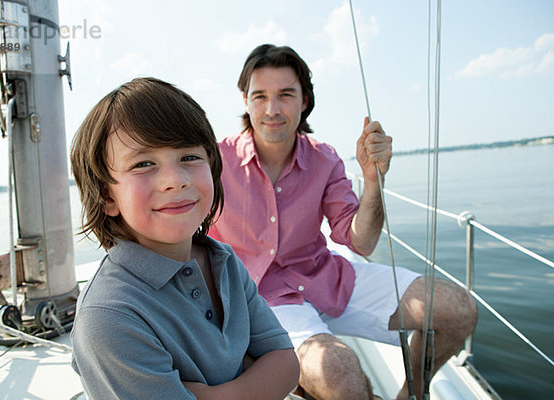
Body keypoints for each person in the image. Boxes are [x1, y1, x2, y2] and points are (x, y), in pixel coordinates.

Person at [208, 44, 478, 400]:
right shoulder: (214, 160)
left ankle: (413, 394)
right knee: (342, 375)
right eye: (260, 96)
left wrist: (373, 180)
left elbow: (361, 242)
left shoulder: (324, 158)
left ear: (305, 100)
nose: (272, 109)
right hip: (262, 302)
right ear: (245, 100)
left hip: (324, 278)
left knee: (458, 310)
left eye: (286, 94)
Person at [69, 77, 299, 400]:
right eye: (143, 164)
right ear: (107, 196)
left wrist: (209, 395)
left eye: (189, 158)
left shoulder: (224, 261)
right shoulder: (109, 314)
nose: (175, 181)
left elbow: (287, 363)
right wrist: (254, 373)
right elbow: (272, 368)